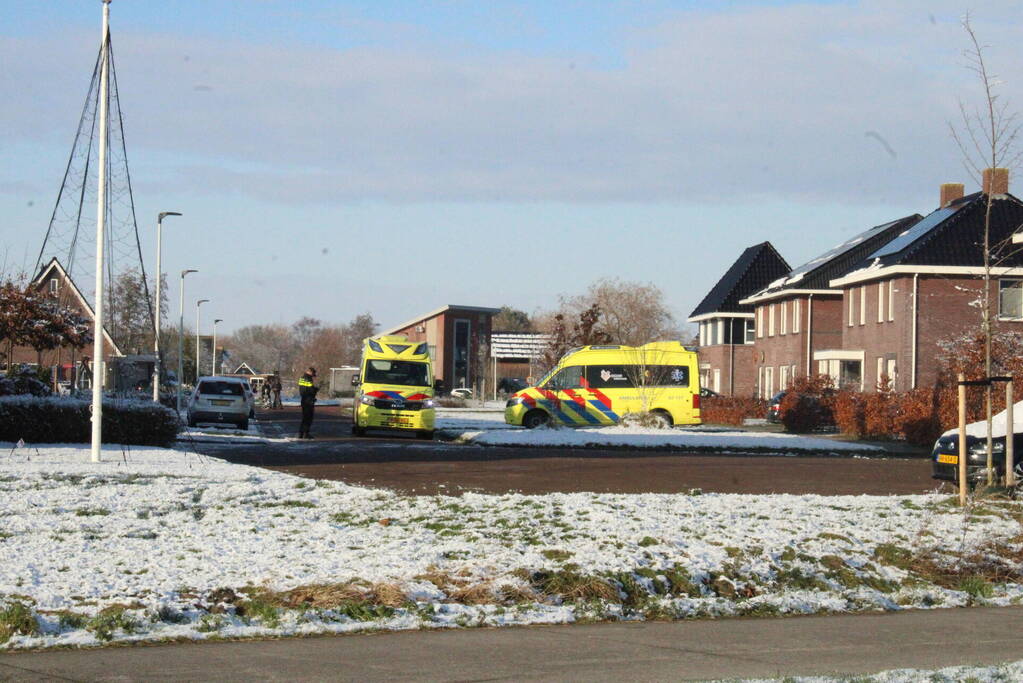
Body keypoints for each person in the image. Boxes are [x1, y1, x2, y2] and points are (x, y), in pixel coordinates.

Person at [297, 367, 319, 438]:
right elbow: (311, 390)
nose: (313, 375)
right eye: (313, 374)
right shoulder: (309, 379)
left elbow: (303, 389)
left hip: (304, 399)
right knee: (309, 418)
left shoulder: (302, 378)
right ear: (310, 372)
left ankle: (301, 433)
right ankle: (306, 433)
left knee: (304, 417)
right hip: (309, 400)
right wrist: (316, 389)